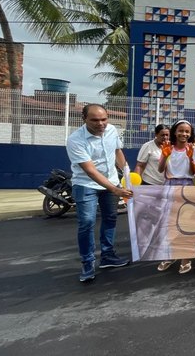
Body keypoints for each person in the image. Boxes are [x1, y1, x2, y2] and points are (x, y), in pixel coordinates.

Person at [66, 104, 132, 283]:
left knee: (110, 218)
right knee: (86, 222)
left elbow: (117, 151)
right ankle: (87, 263)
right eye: (95, 120)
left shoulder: (112, 130)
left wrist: (125, 171)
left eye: (104, 119)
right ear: (84, 118)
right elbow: (90, 171)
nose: (101, 124)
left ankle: (108, 256)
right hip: (86, 184)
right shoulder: (75, 140)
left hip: (112, 181)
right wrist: (114, 189)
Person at [157, 120, 195, 274]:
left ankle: (186, 257)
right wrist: (165, 155)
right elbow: (161, 169)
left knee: (186, 223)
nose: (184, 134)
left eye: (187, 131)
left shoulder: (192, 148)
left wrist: (192, 157)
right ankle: (170, 254)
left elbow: (193, 172)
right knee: (169, 222)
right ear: (174, 132)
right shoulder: (168, 148)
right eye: (181, 131)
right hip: (170, 186)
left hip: (187, 186)